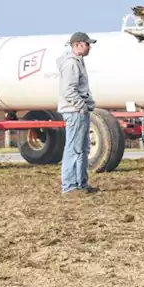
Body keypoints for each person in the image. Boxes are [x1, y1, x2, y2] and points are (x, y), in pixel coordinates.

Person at [57, 31, 97, 195]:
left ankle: (81, 183)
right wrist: (81, 106)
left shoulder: (77, 62)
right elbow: (68, 90)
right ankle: (70, 186)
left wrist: (88, 104)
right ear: (78, 45)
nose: (90, 47)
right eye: (87, 44)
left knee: (82, 148)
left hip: (79, 110)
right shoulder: (71, 64)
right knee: (74, 148)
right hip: (74, 111)